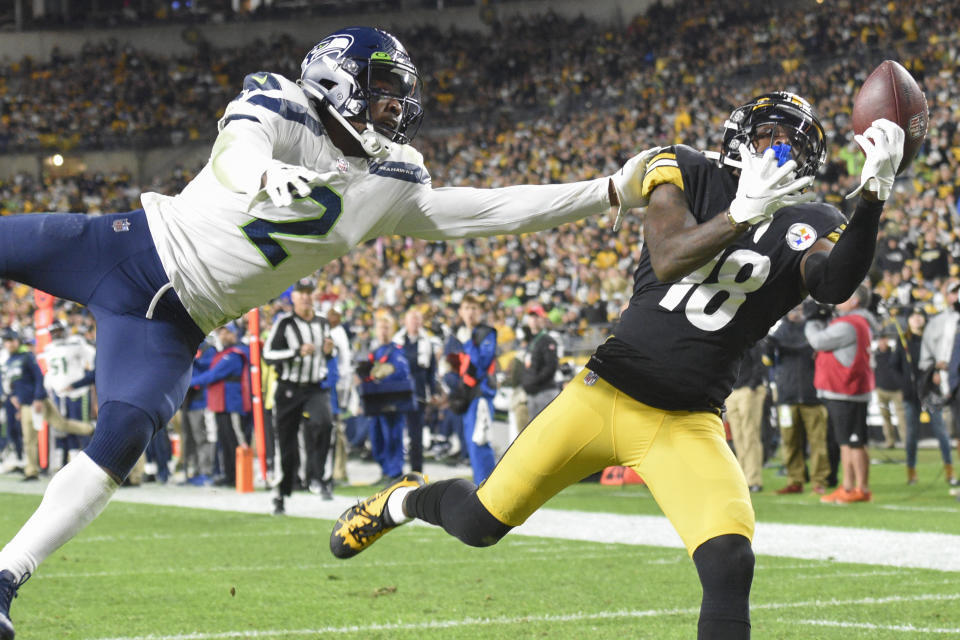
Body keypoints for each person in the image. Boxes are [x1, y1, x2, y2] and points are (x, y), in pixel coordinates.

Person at [0, 26, 660, 637]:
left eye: (404, 92)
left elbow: (486, 210)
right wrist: (264, 174)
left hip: (175, 324)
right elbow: (236, 150)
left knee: (122, 435)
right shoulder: (282, 102)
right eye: (386, 86)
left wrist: (605, 190)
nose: (398, 104)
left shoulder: (392, 179)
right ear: (338, 76)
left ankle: (5, 577)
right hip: (126, 250)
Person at [329, 92, 905, 640]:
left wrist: (874, 195)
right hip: (602, 396)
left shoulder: (810, 218)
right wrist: (739, 213)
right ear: (737, 139)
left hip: (687, 420)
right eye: (768, 135)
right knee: (481, 522)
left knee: (730, 559)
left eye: (794, 144)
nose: (779, 149)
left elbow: (835, 284)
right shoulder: (684, 168)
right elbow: (669, 255)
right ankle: (402, 500)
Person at [263, 280, 335, 510]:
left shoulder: (322, 322)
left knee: (324, 424)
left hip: (314, 386)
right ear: (293, 297)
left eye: (308, 293)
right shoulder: (284, 323)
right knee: (286, 441)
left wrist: (329, 352)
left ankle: (317, 477)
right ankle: (281, 492)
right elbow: (268, 354)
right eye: (301, 293)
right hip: (288, 388)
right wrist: (296, 352)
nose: (305, 297)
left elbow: (327, 356)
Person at [805, 284, 878, 504]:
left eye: (844, 297)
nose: (837, 301)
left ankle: (854, 488)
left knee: (850, 442)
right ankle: (852, 487)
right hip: (849, 390)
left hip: (845, 390)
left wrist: (811, 321)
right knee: (851, 441)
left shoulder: (849, 324)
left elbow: (817, 340)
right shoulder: (858, 322)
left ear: (855, 301)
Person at [766, 303, 830, 495]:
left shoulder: (811, 329)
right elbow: (768, 358)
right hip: (787, 396)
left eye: (799, 309)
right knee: (789, 441)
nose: (795, 313)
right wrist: (769, 347)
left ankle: (819, 480)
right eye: (793, 309)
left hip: (812, 396)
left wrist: (778, 345)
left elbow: (808, 348)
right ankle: (795, 480)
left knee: (818, 442)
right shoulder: (780, 331)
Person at [896, 308, 957, 485]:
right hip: (911, 394)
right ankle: (911, 473)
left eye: (919, 316)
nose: (916, 319)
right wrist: (905, 382)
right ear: (908, 320)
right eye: (913, 316)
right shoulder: (903, 341)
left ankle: (949, 472)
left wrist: (936, 373)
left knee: (941, 432)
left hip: (930, 393)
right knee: (911, 435)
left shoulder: (932, 340)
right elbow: (895, 367)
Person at [188, 323, 252, 488]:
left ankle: (239, 475)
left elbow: (213, 374)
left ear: (234, 334)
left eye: (227, 332)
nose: (223, 336)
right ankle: (230, 475)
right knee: (225, 441)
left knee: (235, 441)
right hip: (222, 404)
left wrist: (190, 382)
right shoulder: (226, 353)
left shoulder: (235, 354)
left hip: (232, 404)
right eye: (221, 333)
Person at [447, 295, 498, 484]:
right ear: (461, 311)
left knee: (480, 440)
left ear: (480, 311)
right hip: (466, 396)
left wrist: (468, 342)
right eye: (466, 308)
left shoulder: (487, 333)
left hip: (481, 394)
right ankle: (480, 484)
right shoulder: (457, 335)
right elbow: (450, 366)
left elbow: (481, 364)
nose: (470, 312)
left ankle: (488, 485)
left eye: (474, 308)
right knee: (470, 442)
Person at [359, 313, 415, 483]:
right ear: (376, 331)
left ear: (392, 330)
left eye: (387, 328)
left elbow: (401, 373)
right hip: (376, 402)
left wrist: (383, 375)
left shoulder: (397, 351)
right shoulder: (374, 353)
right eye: (381, 328)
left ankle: (395, 473)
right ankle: (385, 470)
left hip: (393, 402)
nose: (383, 331)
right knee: (376, 439)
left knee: (393, 437)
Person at [393, 307, 439, 474]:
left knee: (416, 436)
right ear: (405, 322)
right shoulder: (397, 341)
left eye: (418, 319)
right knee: (396, 433)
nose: (415, 323)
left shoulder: (427, 342)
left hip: (418, 394)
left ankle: (416, 471)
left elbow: (431, 370)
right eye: (412, 319)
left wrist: (433, 392)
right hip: (398, 393)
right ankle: (394, 470)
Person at [725, 342, 768, 493]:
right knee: (737, 438)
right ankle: (742, 478)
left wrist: (752, 386)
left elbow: (760, 365)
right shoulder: (729, 339)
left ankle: (754, 479)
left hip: (749, 391)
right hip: (732, 392)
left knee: (750, 436)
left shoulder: (752, 339)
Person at [520, 305, 560, 421]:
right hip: (533, 393)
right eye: (531, 316)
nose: (533, 319)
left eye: (537, 316)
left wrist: (533, 382)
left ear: (543, 319)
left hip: (545, 392)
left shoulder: (547, 340)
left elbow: (551, 367)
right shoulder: (532, 341)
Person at [874, 320, 908, 449]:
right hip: (881, 390)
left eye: (885, 339)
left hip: (896, 390)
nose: (883, 342)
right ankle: (890, 441)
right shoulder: (874, 355)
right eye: (880, 340)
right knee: (885, 417)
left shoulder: (894, 353)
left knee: (901, 417)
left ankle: (906, 442)